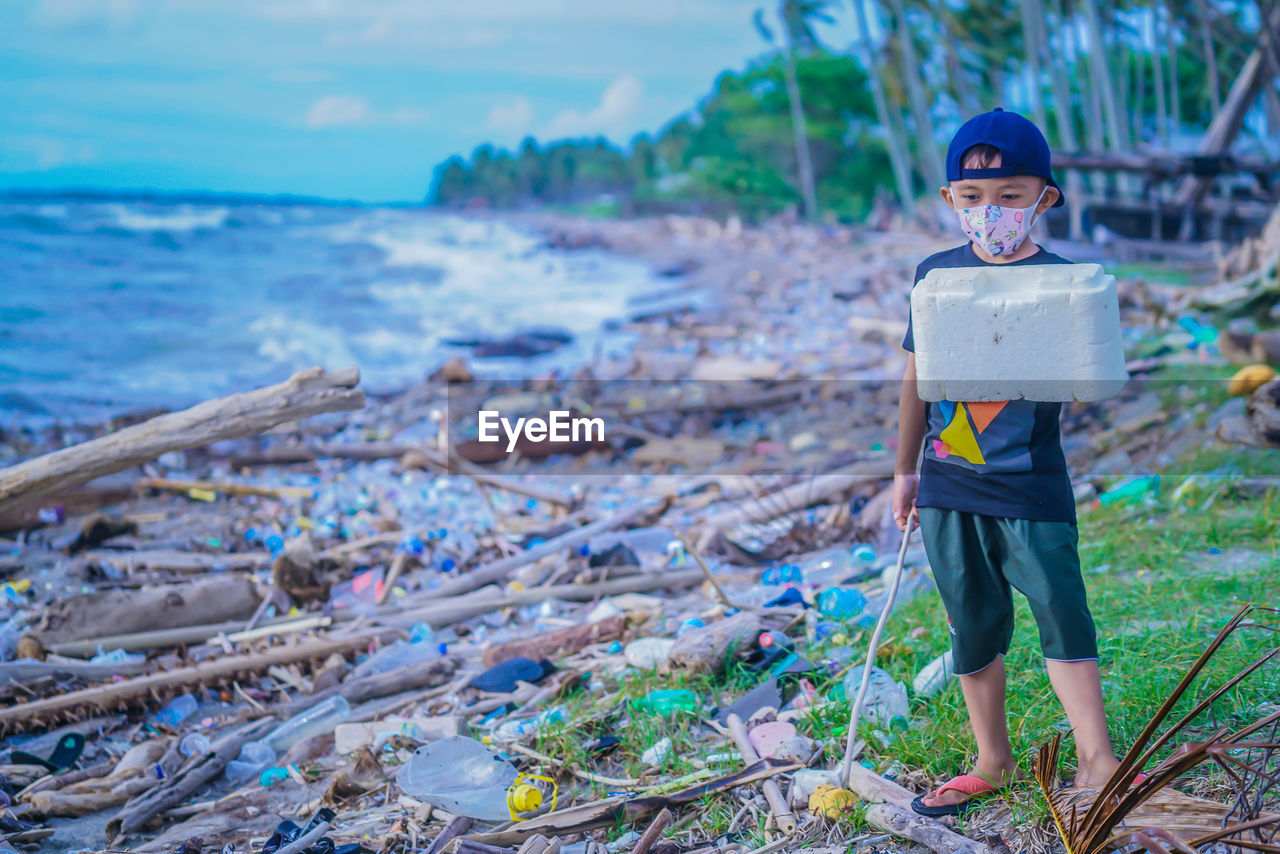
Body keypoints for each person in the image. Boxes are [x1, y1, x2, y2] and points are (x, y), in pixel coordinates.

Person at [893, 108, 1136, 817]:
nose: (989, 212)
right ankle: (992, 760)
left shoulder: (1066, 283)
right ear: (950, 202)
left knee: (1063, 611)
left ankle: (1098, 759)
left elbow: (1089, 383)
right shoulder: (934, 276)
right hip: (947, 482)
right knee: (971, 621)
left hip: (1032, 484)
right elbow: (914, 376)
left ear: (1044, 199)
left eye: (1008, 196)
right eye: (971, 200)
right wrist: (904, 470)